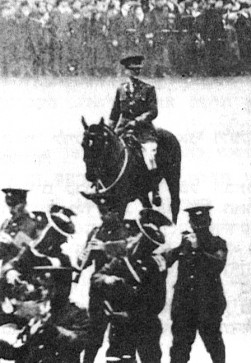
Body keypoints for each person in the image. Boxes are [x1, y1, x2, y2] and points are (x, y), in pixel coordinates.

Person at [1, 205, 89, 363]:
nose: (48, 236)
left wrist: (45, 318)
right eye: (48, 230)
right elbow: (10, 266)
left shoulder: (62, 261)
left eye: (55, 234)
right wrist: (11, 273)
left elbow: (61, 294)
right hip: (28, 312)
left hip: (51, 315)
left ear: (62, 239)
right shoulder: (29, 252)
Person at [92, 208, 171, 363]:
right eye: (139, 236)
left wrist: (132, 313)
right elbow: (96, 278)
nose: (138, 241)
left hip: (145, 325)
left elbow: (157, 303)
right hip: (120, 324)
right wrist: (108, 280)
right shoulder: (122, 259)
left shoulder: (157, 265)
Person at [165, 206, 227, 363]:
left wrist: (198, 249)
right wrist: (179, 246)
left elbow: (218, 265)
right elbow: (166, 261)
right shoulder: (184, 241)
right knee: (179, 349)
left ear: (209, 222)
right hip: (184, 306)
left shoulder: (217, 243)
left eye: (203, 222)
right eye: (195, 222)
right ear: (191, 223)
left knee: (214, 345)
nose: (198, 226)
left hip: (208, 305)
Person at [79, 193, 131, 363]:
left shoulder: (127, 231)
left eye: (107, 212)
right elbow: (84, 263)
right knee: (93, 336)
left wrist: (105, 247)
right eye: (101, 212)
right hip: (98, 292)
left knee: (119, 340)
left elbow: (129, 252)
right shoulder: (95, 231)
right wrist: (82, 258)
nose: (103, 216)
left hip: (119, 293)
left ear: (117, 212)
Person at [108, 53, 161, 206]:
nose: (135, 73)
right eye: (132, 70)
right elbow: (114, 113)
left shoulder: (148, 89)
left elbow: (153, 111)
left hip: (143, 130)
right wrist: (110, 129)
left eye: (137, 70)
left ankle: (154, 188)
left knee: (149, 153)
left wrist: (137, 121)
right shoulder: (121, 90)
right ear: (126, 71)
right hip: (123, 128)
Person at [0, 188, 39, 263]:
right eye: (9, 204)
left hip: (21, 268)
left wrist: (7, 242)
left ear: (24, 203)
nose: (12, 208)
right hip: (7, 268)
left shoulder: (29, 223)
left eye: (16, 204)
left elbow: (18, 249)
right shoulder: (6, 223)